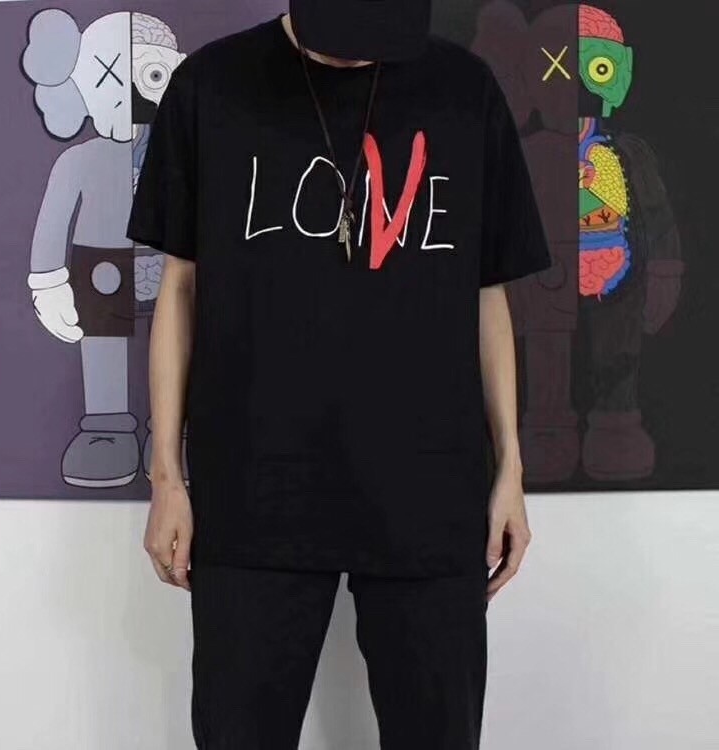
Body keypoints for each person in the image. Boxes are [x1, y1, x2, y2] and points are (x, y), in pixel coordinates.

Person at [126, 1, 551, 748]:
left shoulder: (464, 90)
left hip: (428, 488)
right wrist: (167, 477)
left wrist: (510, 468)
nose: (358, 55)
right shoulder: (211, 87)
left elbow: (487, 297)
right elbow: (180, 291)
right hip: (254, 490)